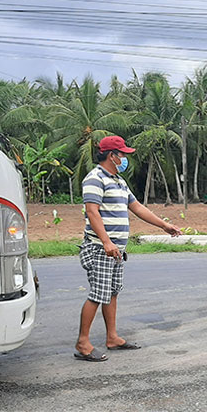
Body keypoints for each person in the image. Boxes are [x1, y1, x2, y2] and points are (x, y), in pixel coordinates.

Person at [74, 135, 181, 362]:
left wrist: (164, 225)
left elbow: (138, 207)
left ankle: (112, 337)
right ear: (111, 156)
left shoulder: (120, 182)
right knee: (97, 294)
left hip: (116, 251)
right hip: (100, 248)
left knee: (112, 293)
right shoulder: (94, 179)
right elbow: (92, 212)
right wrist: (106, 242)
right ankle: (83, 342)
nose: (124, 158)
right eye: (122, 154)